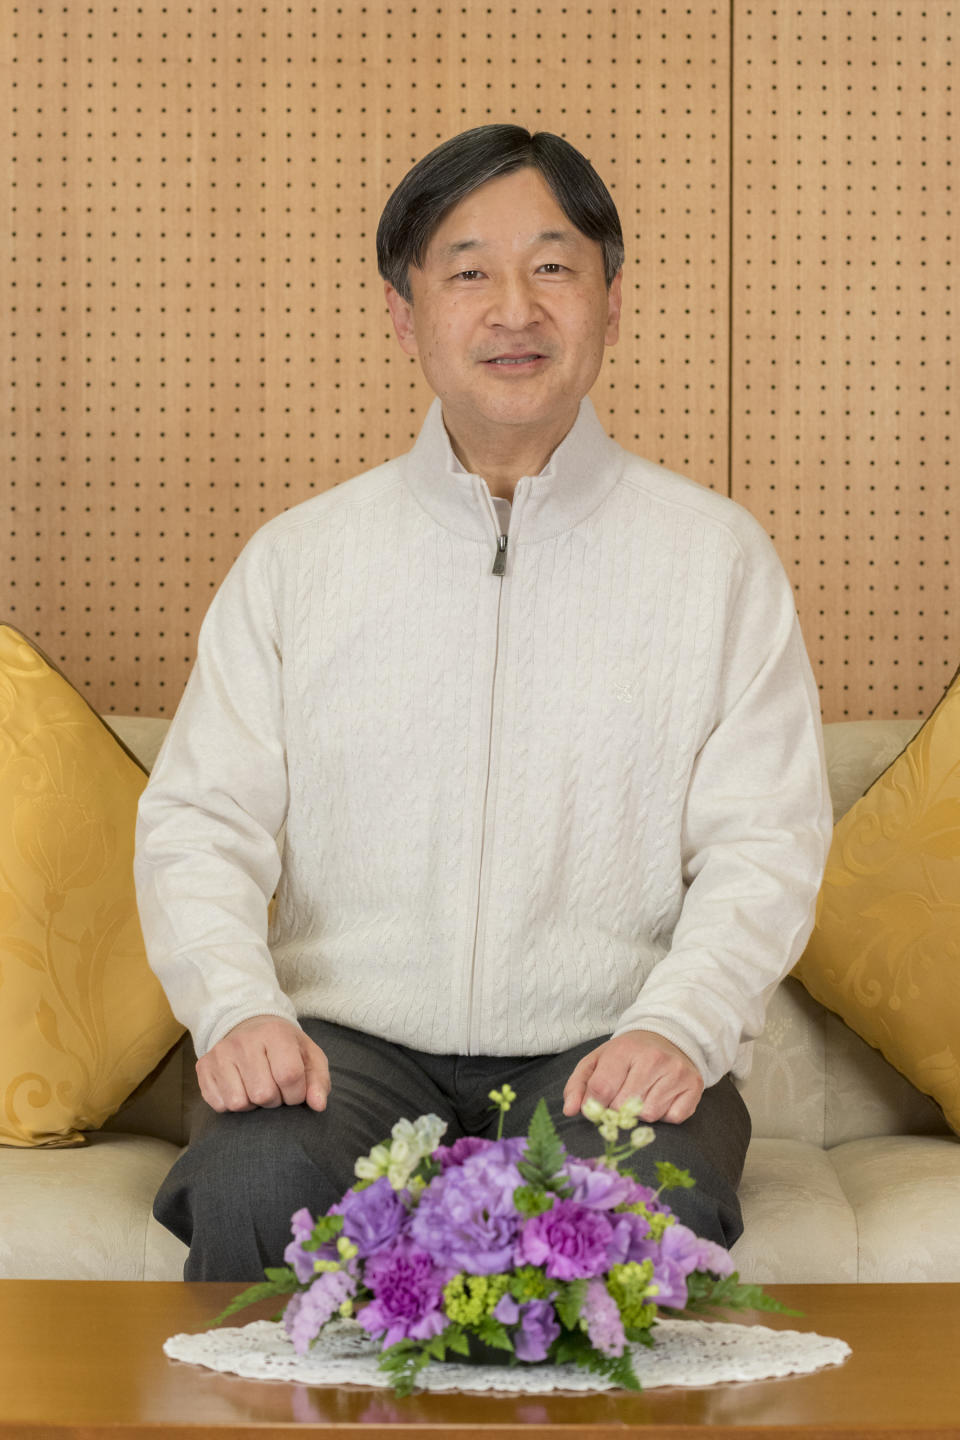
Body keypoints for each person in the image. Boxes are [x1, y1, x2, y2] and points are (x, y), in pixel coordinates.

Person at [136, 124, 832, 1282]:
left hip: (605, 1047)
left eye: (553, 266)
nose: (515, 308)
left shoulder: (717, 560)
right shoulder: (299, 560)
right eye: (468, 272)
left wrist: (681, 1025)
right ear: (406, 318)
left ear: (612, 297)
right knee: (254, 1183)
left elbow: (767, 843)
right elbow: (201, 822)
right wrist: (235, 1007)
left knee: (650, 1197)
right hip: (346, 1050)